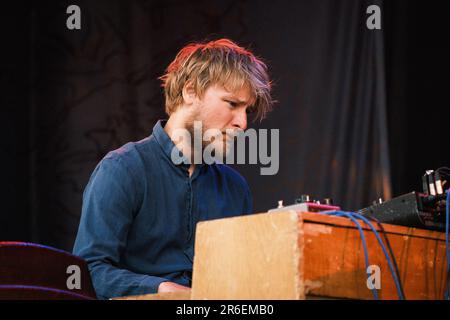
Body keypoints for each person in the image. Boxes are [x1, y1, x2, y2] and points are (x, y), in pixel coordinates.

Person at [73, 38, 273, 299]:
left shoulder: (235, 188)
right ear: (190, 92)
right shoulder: (122, 169)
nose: (242, 123)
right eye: (232, 104)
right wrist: (162, 289)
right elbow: (88, 271)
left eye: (248, 110)